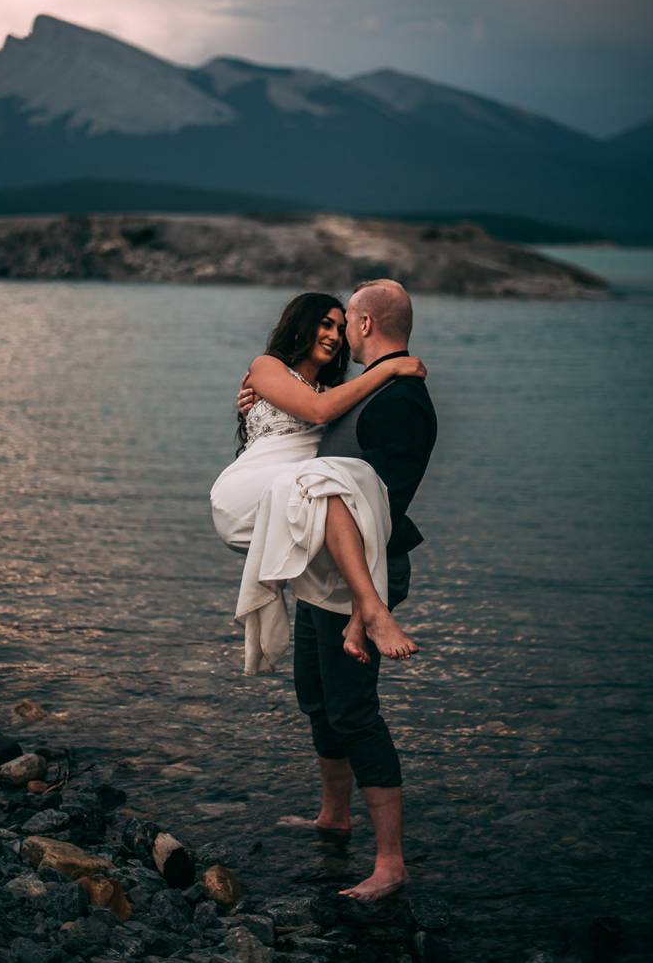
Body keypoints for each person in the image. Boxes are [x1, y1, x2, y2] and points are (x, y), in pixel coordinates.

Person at [232, 280, 437, 902]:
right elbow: (308, 432)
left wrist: (363, 602)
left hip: (367, 574)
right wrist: (258, 412)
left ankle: (391, 863)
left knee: (354, 712)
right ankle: (333, 816)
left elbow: (386, 498)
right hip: (326, 571)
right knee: (317, 697)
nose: (339, 331)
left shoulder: (400, 397)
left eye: (345, 319)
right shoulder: (359, 391)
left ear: (366, 323)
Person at [211, 291, 426, 673]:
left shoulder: (337, 392)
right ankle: (374, 612)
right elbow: (316, 410)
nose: (334, 335)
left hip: (297, 491)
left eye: (342, 328)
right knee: (330, 483)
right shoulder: (266, 367)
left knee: (353, 487)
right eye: (325, 324)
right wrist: (389, 369)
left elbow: (330, 410)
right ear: (300, 326)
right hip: (250, 488)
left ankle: (362, 616)